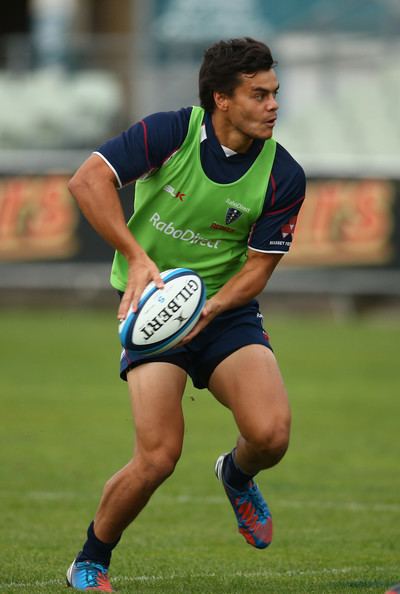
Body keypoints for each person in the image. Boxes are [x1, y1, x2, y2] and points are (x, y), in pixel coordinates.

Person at [66, 37, 306, 592]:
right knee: (158, 456)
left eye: (275, 93)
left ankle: (237, 474)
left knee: (271, 435)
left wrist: (214, 306)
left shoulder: (282, 174)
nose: (273, 105)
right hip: (153, 310)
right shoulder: (170, 131)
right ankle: (90, 560)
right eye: (259, 94)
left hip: (226, 310)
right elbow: (88, 181)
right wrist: (136, 255)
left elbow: (258, 269)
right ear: (222, 99)